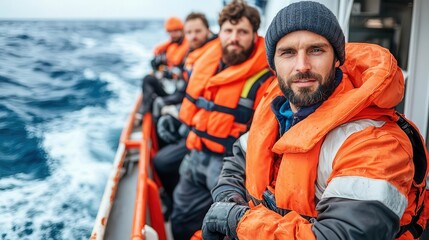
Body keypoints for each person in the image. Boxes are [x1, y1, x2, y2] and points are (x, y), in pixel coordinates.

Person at [202, 1, 429, 240]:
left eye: (316, 50)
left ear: (337, 59)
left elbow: (340, 235)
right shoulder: (277, 113)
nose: (302, 66)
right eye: (288, 52)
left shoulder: (377, 143)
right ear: (273, 64)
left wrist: (239, 221)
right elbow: (238, 162)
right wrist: (230, 201)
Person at [165, 0, 275, 239]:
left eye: (242, 32)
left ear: (254, 34)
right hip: (196, 154)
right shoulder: (207, 63)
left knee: (218, 229)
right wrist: (175, 120)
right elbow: (196, 106)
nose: (234, 38)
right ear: (220, 32)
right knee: (180, 217)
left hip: (229, 166)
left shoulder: (266, 78)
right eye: (228, 31)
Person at [152, 12, 217, 220]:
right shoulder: (193, 55)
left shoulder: (215, 57)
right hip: (192, 125)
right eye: (189, 32)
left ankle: (172, 202)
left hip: (209, 136)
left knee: (162, 161)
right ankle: (172, 198)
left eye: (198, 31)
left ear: (208, 30)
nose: (193, 36)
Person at [136, 16, 189, 121]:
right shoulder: (170, 47)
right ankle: (143, 113)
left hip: (180, 90)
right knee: (148, 79)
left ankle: (153, 124)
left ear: (182, 30)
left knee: (157, 102)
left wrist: (167, 73)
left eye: (175, 31)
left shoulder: (189, 48)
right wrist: (157, 62)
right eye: (170, 32)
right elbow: (159, 63)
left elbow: (183, 72)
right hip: (168, 85)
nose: (172, 34)